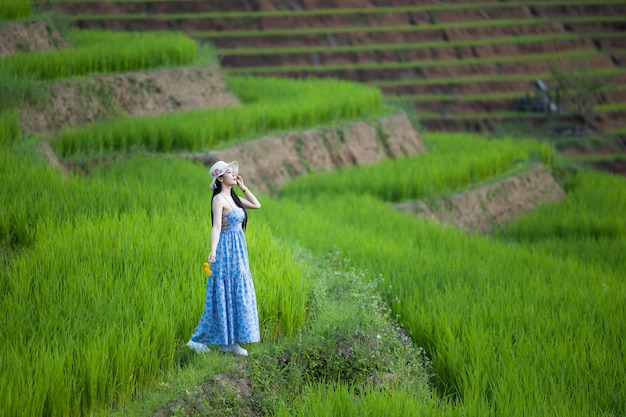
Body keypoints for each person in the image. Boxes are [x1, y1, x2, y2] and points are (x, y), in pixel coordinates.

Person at [187, 160, 262, 356]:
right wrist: (213, 250)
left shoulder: (234, 199)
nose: (234, 174)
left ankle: (230, 343)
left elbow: (257, 204)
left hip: (239, 251)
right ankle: (197, 340)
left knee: (237, 293)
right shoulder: (218, 199)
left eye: (233, 172)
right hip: (226, 250)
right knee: (223, 293)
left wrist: (244, 188)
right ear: (220, 178)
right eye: (229, 172)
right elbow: (216, 227)